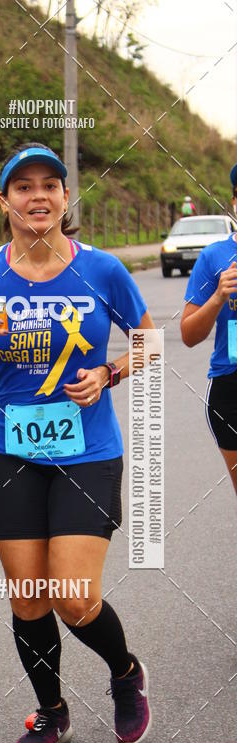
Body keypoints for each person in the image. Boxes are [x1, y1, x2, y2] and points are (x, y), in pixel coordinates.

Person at [0, 142, 155, 743]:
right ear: (4, 201)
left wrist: (110, 373)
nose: (38, 196)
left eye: (49, 185)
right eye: (24, 187)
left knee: (75, 594)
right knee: (27, 595)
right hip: (11, 452)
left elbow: (149, 343)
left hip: (88, 450)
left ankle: (124, 672)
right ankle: (51, 712)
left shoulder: (103, 269)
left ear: (65, 198)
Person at [180, 162, 237, 495]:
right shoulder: (214, 257)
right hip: (230, 389)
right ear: (234, 203)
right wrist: (217, 297)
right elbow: (188, 335)